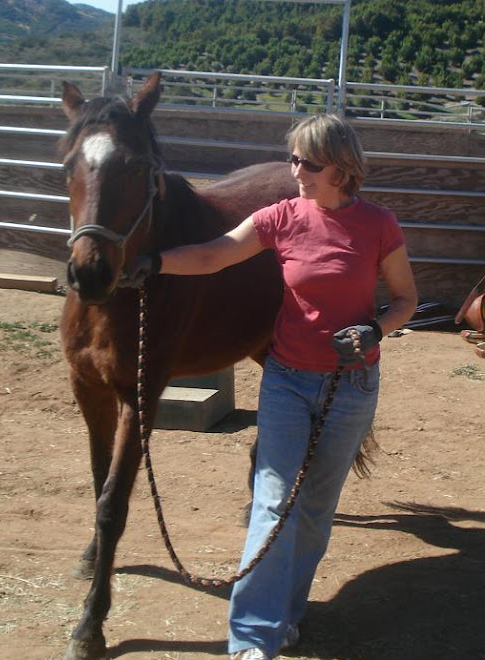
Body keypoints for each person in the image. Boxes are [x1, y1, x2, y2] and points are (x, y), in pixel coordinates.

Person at [133, 114, 418, 659]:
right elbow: (214, 254)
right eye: (292, 159)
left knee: (313, 509)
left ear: (342, 166)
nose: (295, 171)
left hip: (351, 386)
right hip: (286, 382)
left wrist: (375, 327)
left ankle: (286, 613)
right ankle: (252, 637)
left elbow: (406, 299)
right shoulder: (283, 216)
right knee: (272, 502)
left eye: (307, 162)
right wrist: (151, 263)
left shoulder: (379, 224)